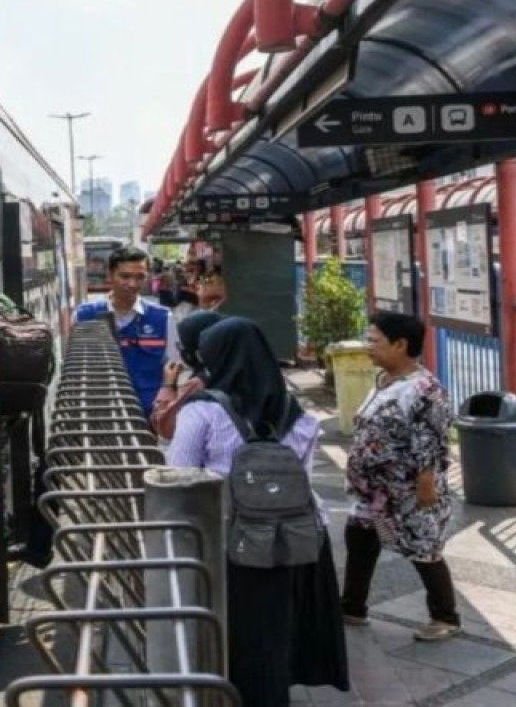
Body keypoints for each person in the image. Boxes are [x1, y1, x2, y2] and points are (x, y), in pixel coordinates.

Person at [167, 317, 350, 706]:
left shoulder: (203, 412)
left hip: (233, 538)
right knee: (281, 624)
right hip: (298, 536)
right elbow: (300, 475)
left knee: (241, 628)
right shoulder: (298, 414)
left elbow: (178, 477)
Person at [341, 311, 461, 641]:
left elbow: (430, 441)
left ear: (400, 345)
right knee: (360, 539)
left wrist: (424, 486)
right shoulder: (385, 382)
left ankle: (445, 616)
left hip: (407, 489)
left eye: (375, 341)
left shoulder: (424, 389)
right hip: (374, 492)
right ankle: (352, 607)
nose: (369, 347)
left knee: (423, 547)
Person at [74, 246, 179, 416]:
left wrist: (167, 391)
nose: (132, 284)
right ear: (109, 275)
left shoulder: (162, 317)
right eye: (125, 276)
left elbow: (173, 363)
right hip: (99, 413)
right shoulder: (84, 315)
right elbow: (75, 367)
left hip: (148, 413)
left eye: (140, 277)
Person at [149, 310, 224, 440]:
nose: (181, 350)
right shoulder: (250, 368)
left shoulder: (200, 382)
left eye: (182, 344)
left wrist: (168, 385)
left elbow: (164, 425)